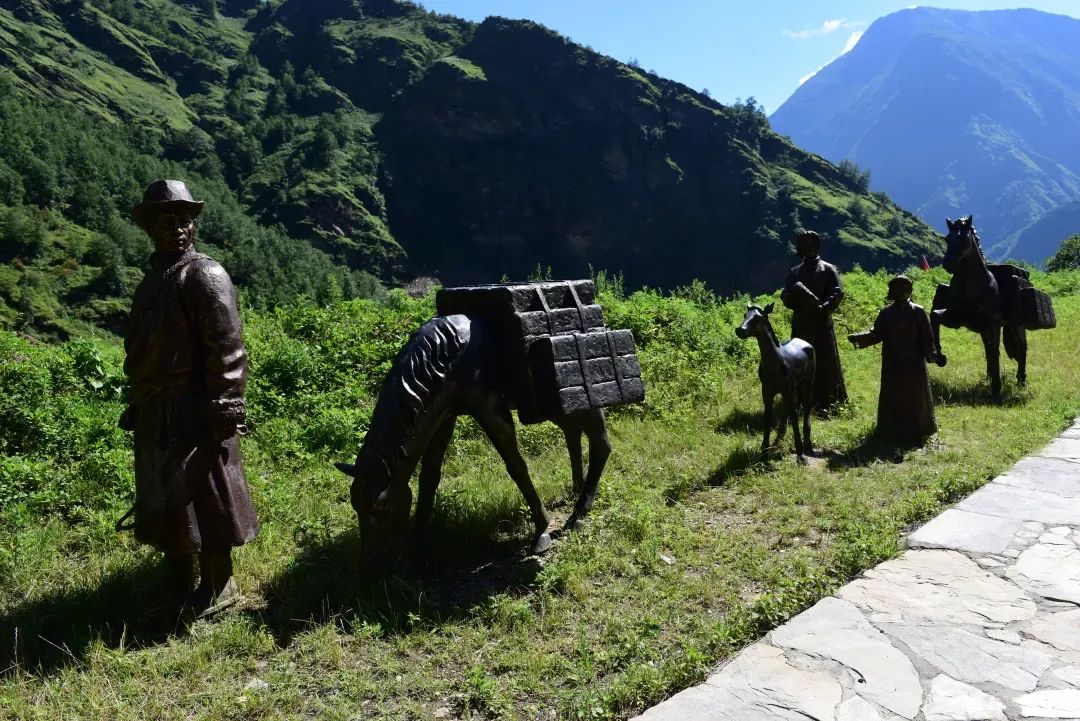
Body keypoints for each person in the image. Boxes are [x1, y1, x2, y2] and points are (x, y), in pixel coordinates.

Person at [119, 179, 258, 617]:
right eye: (165, 219)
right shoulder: (151, 283)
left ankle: (220, 583)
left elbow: (227, 346)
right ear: (149, 227)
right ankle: (178, 574)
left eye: (184, 218)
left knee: (207, 496)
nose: (176, 226)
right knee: (165, 497)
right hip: (157, 410)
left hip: (196, 407)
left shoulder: (204, 274)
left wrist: (225, 405)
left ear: (194, 224)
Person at [848, 275, 939, 445]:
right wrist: (859, 338)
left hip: (914, 363)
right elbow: (876, 334)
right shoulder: (886, 313)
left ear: (910, 291)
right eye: (897, 290)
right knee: (894, 396)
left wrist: (931, 353)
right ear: (892, 293)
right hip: (893, 362)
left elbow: (927, 336)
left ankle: (918, 430)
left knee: (915, 397)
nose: (901, 294)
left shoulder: (918, 311)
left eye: (905, 290)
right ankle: (892, 430)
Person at [781, 230, 848, 411]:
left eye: (812, 245)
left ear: (817, 246)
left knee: (825, 362)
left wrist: (824, 308)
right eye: (805, 246)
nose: (809, 249)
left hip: (822, 325)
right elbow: (785, 295)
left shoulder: (828, 269)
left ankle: (831, 400)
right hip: (802, 325)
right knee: (800, 362)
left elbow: (837, 292)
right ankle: (802, 400)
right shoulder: (795, 273)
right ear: (800, 249)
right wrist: (796, 300)